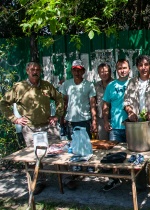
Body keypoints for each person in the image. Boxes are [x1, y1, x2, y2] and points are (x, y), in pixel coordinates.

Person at [0, 61, 64, 195]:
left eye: (38, 70)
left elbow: (59, 98)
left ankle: (62, 179)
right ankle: (40, 181)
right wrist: (15, 119)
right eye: (32, 70)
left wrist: (57, 115)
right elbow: (4, 103)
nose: (35, 72)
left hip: (48, 126)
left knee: (59, 153)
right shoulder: (19, 87)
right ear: (27, 71)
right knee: (35, 157)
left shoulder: (46, 85)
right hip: (30, 129)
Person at [124, 55, 150, 193]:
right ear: (137, 67)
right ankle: (141, 184)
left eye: (146, 64)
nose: (144, 68)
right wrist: (130, 112)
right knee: (138, 156)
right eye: (141, 65)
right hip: (137, 126)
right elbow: (127, 102)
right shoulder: (132, 82)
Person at [60, 60, 97, 188]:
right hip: (71, 119)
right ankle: (75, 168)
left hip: (85, 119)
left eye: (79, 69)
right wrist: (62, 117)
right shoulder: (66, 84)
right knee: (73, 145)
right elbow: (64, 102)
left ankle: (89, 166)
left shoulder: (89, 85)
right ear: (72, 71)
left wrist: (94, 120)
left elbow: (93, 104)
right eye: (74, 69)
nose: (77, 72)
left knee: (86, 144)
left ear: (83, 71)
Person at [101, 59, 131, 191]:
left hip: (133, 127)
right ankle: (114, 179)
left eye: (125, 67)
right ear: (116, 70)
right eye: (119, 68)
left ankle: (134, 181)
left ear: (129, 69)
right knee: (114, 156)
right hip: (115, 127)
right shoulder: (111, 86)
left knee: (132, 155)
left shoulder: (134, 83)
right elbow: (106, 104)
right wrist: (106, 121)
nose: (122, 70)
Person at [94, 63, 113, 140]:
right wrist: (94, 121)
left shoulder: (115, 84)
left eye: (106, 71)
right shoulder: (96, 86)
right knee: (103, 142)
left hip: (113, 119)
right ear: (98, 74)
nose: (104, 74)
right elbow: (93, 104)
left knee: (115, 144)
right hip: (101, 119)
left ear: (110, 72)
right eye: (101, 72)